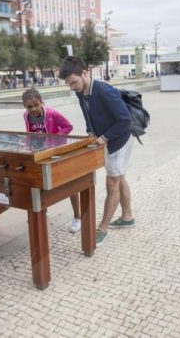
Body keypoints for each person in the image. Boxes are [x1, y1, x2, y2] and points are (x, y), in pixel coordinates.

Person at [59, 56, 134, 246]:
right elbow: (87, 113)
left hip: (119, 141)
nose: (72, 87)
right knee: (120, 177)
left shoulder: (104, 91)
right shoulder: (80, 92)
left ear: (86, 73)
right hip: (107, 140)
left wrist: (104, 138)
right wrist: (91, 131)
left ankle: (102, 229)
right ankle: (127, 217)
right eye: (69, 84)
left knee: (113, 183)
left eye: (74, 82)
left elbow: (125, 120)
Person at [21, 88, 82, 233]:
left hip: (57, 154)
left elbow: (68, 126)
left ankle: (77, 217)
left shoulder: (52, 113)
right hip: (40, 154)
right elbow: (29, 133)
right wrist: (28, 147)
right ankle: (42, 213)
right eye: (29, 107)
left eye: (36, 105)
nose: (33, 109)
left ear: (42, 102)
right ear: (25, 106)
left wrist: (54, 139)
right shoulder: (26, 116)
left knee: (70, 184)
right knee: (39, 183)